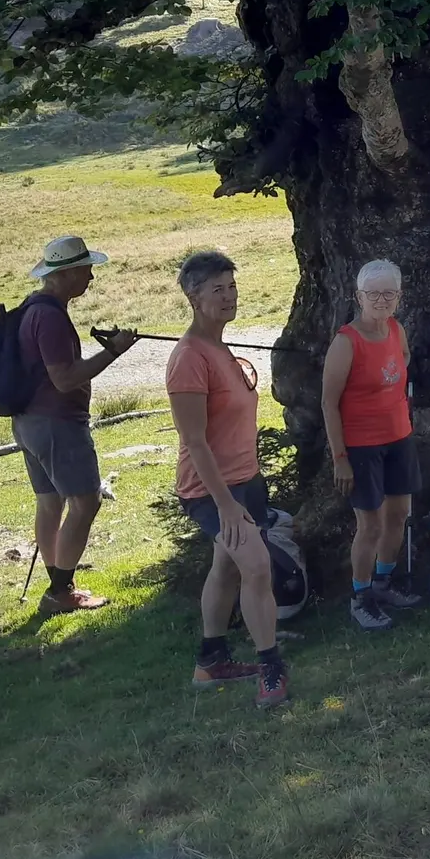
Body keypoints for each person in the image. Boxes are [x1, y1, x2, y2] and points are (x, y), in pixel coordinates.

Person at [167, 250, 287, 710]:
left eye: (232, 286)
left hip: (245, 481)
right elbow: (195, 442)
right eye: (217, 289)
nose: (228, 296)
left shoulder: (219, 348)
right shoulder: (188, 358)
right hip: (211, 490)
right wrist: (225, 504)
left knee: (227, 567)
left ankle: (211, 661)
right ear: (193, 298)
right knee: (256, 568)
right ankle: (271, 666)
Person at [14, 235, 137, 616]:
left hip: (29, 422)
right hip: (57, 425)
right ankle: (61, 590)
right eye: (86, 270)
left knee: (50, 501)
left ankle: (57, 582)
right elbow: (64, 379)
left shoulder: (32, 307)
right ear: (66, 273)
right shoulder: (50, 317)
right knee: (85, 502)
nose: (91, 278)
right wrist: (113, 351)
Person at [321, 258, 424, 632]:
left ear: (399, 296)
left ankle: (383, 582)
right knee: (370, 525)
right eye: (373, 294)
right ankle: (360, 596)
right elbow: (328, 403)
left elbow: (403, 361)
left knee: (398, 514)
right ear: (358, 297)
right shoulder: (346, 343)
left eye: (389, 293)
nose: (381, 300)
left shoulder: (396, 330)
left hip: (399, 438)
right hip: (361, 447)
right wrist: (340, 457)